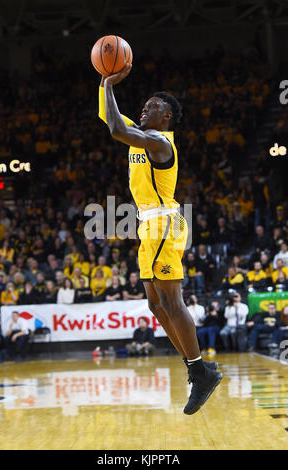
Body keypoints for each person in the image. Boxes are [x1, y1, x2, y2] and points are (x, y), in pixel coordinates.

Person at [98, 65, 222, 415]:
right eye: (144, 105)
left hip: (164, 225)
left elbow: (115, 128)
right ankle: (199, 369)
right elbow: (107, 113)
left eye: (151, 106)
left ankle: (199, 372)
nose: (144, 109)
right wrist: (101, 79)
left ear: (166, 116)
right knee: (155, 305)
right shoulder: (142, 132)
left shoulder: (158, 141)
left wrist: (109, 81)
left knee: (171, 300)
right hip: (147, 227)